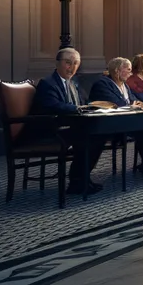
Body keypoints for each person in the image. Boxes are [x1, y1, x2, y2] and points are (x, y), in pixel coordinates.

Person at [33, 47, 104, 195]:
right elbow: (52, 105)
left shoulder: (74, 82)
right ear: (57, 63)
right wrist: (77, 109)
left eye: (76, 63)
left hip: (69, 127)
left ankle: (81, 179)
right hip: (50, 130)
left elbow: (85, 102)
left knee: (97, 136)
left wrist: (94, 107)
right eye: (68, 62)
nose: (72, 67)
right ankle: (77, 181)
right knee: (87, 137)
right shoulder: (48, 83)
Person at [88, 56, 143, 180]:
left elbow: (134, 101)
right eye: (128, 69)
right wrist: (137, 106)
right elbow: (116, 105)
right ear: (117, 70)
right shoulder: (102, 84)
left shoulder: (125, 85)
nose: (130, 73)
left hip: (127, 121)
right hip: (109, 125)